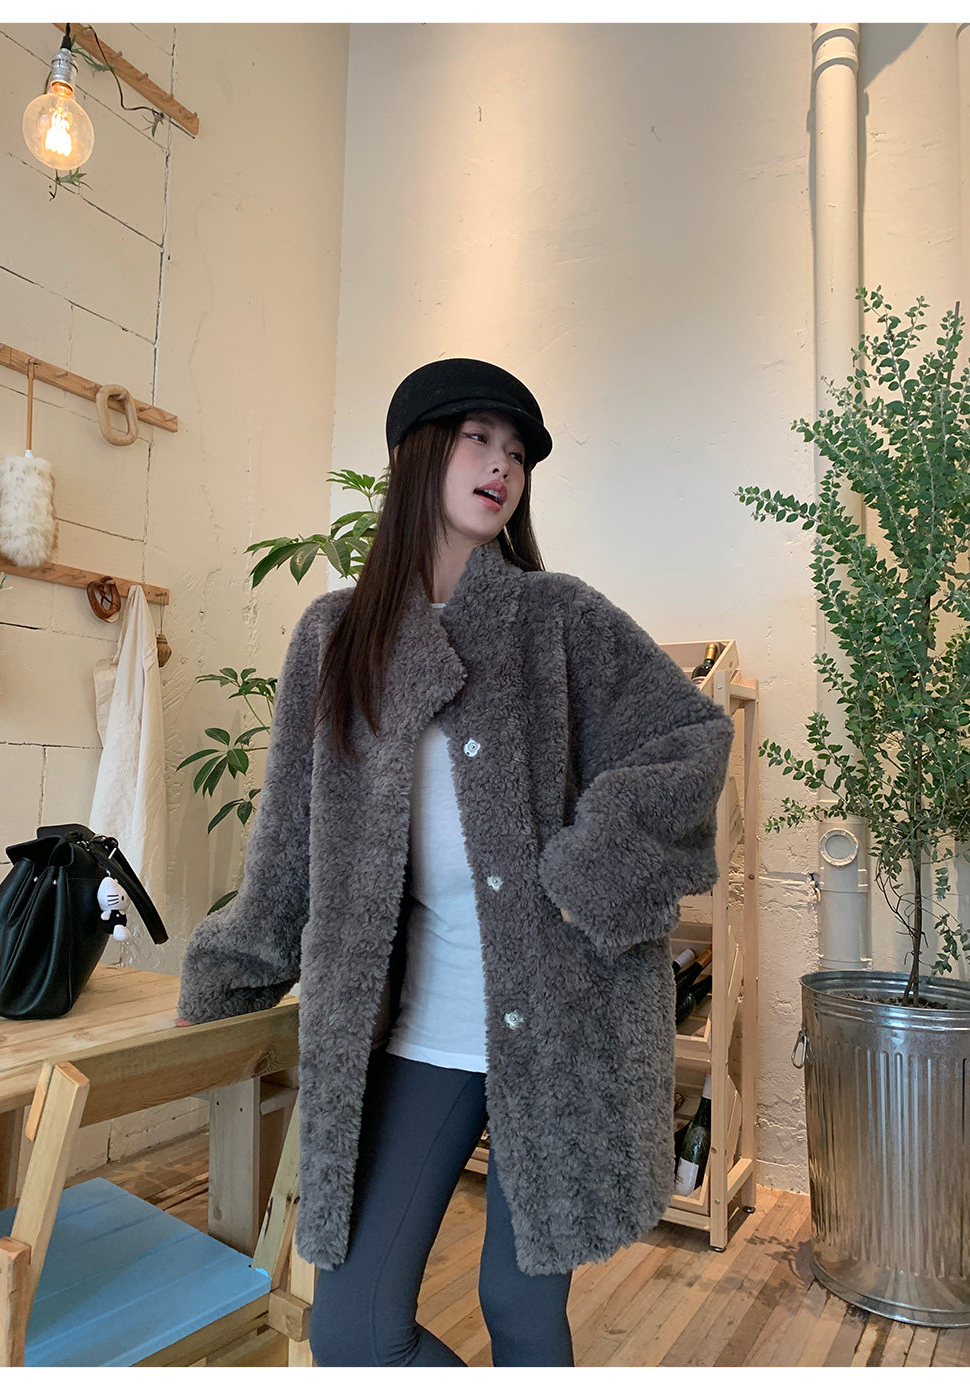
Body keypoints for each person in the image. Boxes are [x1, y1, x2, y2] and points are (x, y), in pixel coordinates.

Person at [176, 358, 736, 1368]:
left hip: (563, 1027)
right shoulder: (335, 637)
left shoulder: (559, 619)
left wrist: (589, 872)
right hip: (419, 1031)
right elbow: (287, 842)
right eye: (479, 438)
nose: (502, 466)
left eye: (517, 452)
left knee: (518, 1307)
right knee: (353, 1328)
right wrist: (227, 980)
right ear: (417, 454)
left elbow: (689, 737)